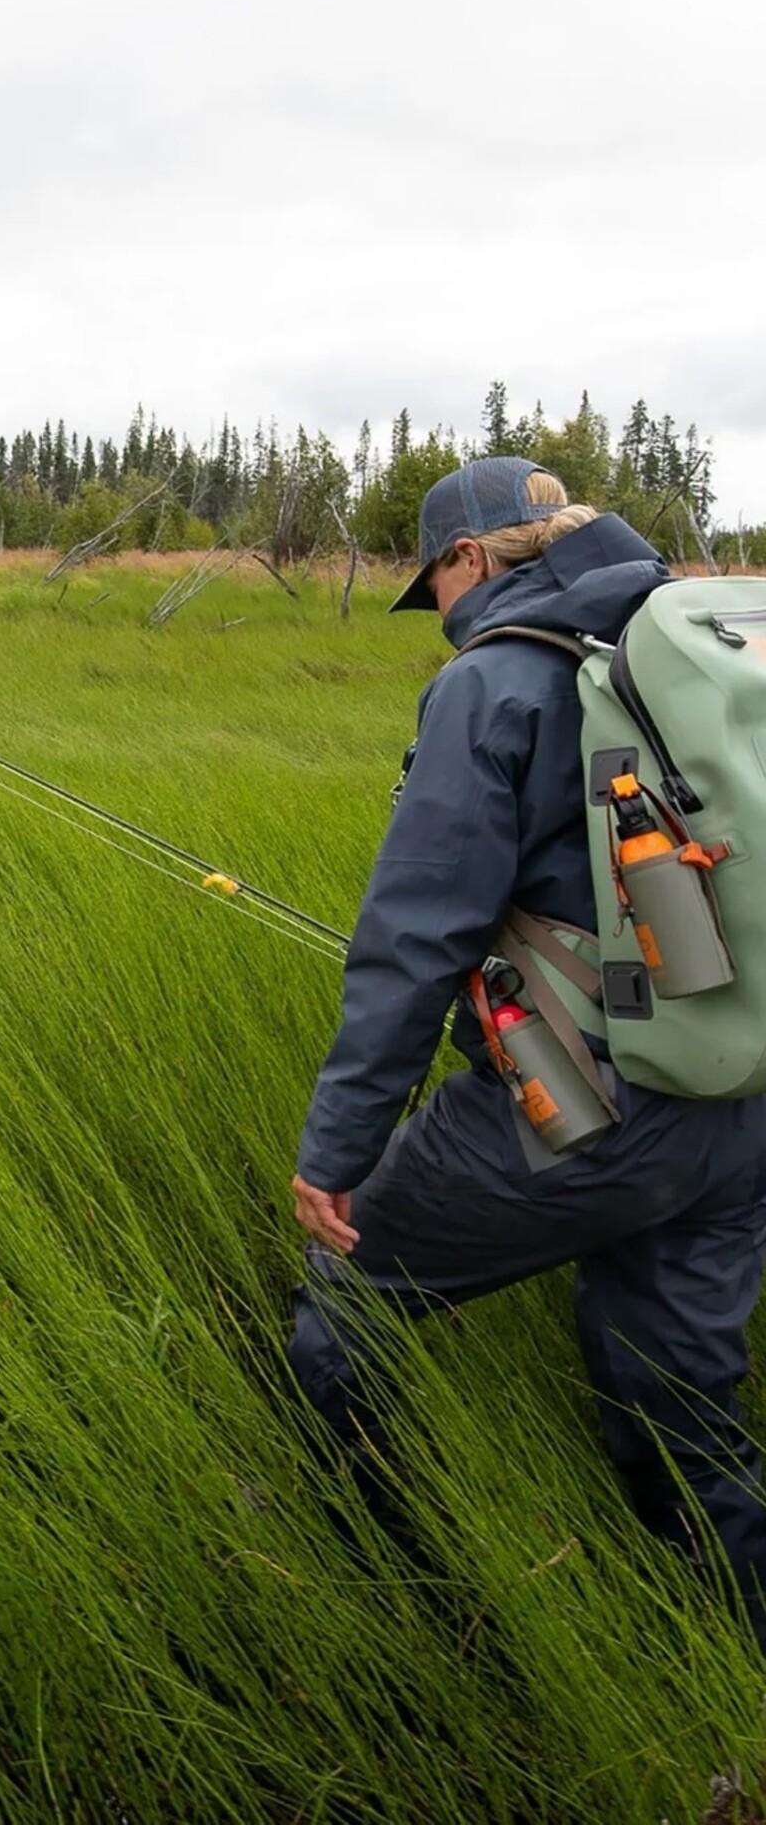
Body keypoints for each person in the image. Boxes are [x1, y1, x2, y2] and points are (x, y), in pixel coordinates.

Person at [288, 453, 766, 1644]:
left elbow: (413, 937)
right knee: (685, 1419)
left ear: (468, 558)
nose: (437, 612)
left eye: (434, 584)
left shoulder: (491, 681)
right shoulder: (690, 637)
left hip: (588, 1108)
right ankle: (737, 1628)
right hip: (740, 1096)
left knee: (347, 1302)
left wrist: (338, 1150)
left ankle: (376, 1589)